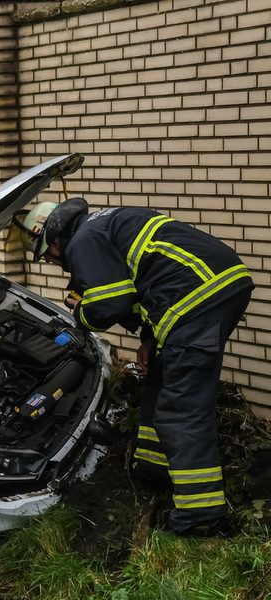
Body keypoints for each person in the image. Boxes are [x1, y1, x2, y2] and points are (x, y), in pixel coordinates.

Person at [14, 197, 253, 537]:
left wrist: (79, 312)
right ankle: (154, 471)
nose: (55, 264)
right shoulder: (100, 225)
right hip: (212, 289)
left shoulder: (83, 242)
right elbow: (148, 280)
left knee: (183, 409)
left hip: (196, 300)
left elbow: (112, 303)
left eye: (47, 256)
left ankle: (201, 517)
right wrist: (149, 340)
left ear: (52, 239)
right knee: (159, 382)